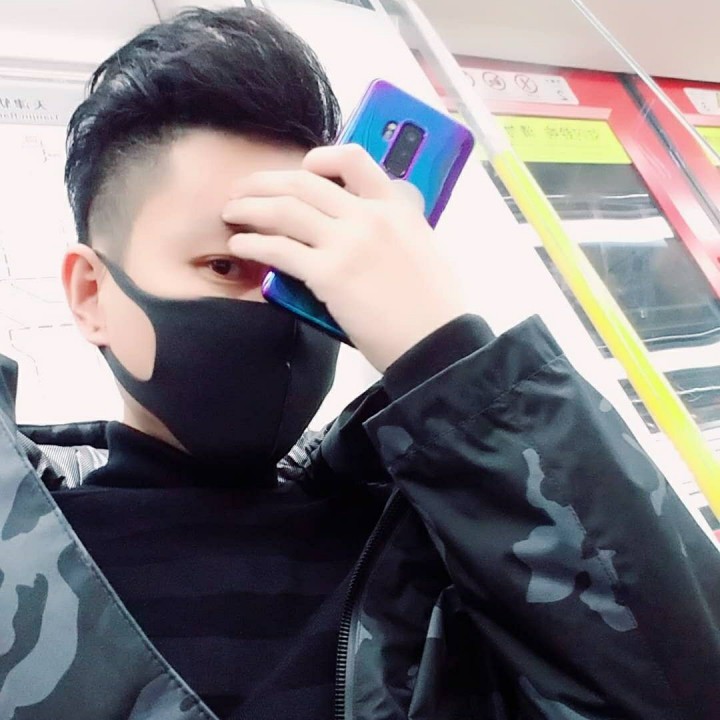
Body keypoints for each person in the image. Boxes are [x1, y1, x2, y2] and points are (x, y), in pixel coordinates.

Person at [0, 6, 718, 720]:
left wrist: (451, 360)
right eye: (225, 264)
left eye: (302, 267)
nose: (273, 308)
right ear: (91, 294)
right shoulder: (16, 550)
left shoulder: (449, 546)